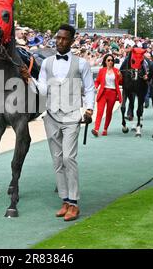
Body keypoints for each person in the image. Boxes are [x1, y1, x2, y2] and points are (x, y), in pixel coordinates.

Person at [36, 24, 94, 221]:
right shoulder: (46, 63)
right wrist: (29, 80)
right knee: (57, 160)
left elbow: (89, 88)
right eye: (58, 38)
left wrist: (89, 108)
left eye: (64, 39)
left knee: (69, 158)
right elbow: (42, 90)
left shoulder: (82, 64)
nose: (60, 41)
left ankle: (74, 203)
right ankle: (65, 200)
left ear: (72, 41)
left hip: (71, 117)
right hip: (51, 116)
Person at [92, 54, 122, 137]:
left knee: (109, 112)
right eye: (108, 60)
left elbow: (120, 82)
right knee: (99, 111)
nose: (110, 62)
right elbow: (97, 81)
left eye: (112, 60)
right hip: (103, 92)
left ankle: (105, 129)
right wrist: (96, 86)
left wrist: (120, 76)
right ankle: (96, 129)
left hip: (112, 93)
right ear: (105, 61)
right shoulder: (102, 70)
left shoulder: (116, 70)